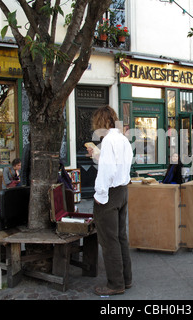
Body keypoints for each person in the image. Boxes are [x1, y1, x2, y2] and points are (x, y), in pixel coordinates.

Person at [86, 105, 133, 296]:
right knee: (120, 237)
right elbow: (120, 165)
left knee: (109, 240)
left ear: (100, 122)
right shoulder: (122, 139)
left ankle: (115, 284)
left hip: (110, 194)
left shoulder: (107, 141)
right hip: (122, 191)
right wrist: (97, 156)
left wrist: (100, 195)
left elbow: (107, 172)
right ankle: (126, 279)